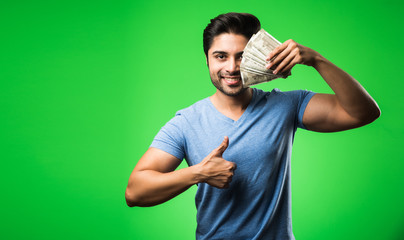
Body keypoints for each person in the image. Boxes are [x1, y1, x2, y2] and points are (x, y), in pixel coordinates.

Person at [125, 12, 380, 240]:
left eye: (242, 56)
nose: (232, 67)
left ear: (257, 57)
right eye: (221, 56)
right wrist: (198, 174)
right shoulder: (186, 122)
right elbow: (135, 192)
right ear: (207, 59)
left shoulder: (287, 105)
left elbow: (363, 113)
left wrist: (316, 60)